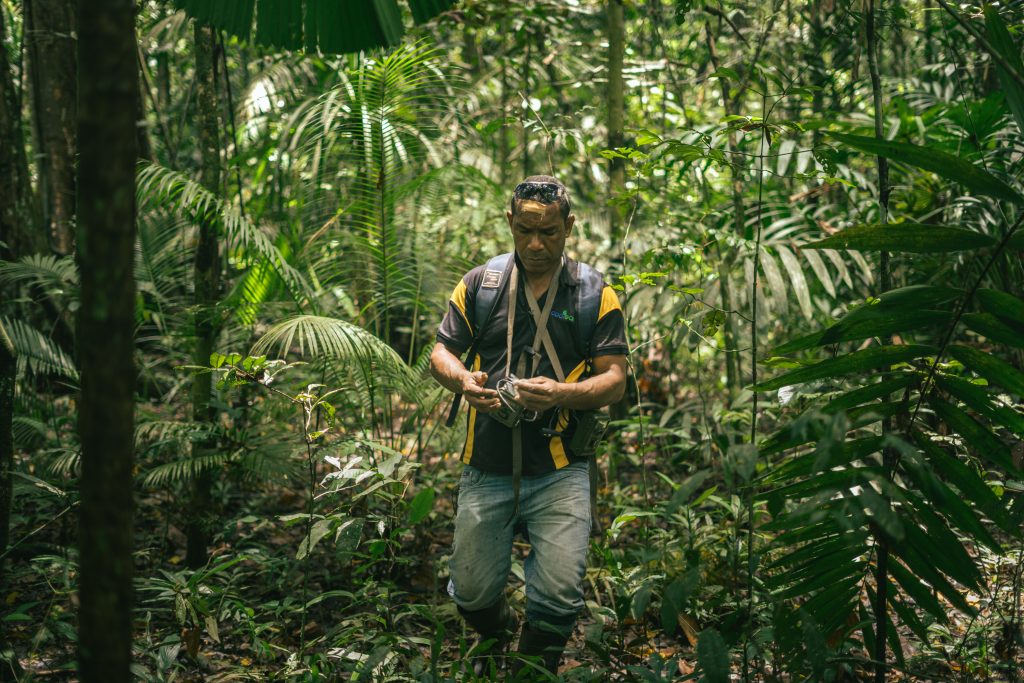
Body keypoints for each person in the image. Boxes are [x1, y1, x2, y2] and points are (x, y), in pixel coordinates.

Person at [429, 175, 628, 676]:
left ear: (569, 226)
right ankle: (495, 632)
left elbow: (616, 380)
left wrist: (562, 394)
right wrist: (463, 383)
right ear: (510, 223)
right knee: (471, 592)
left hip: (561, 466)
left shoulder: (594, 292)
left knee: (560, 596)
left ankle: (529, 672)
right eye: (525, 231)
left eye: (550, 232)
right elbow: (440, 353)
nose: (537, 244)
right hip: (486, 463)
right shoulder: (480, 284)